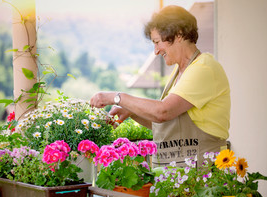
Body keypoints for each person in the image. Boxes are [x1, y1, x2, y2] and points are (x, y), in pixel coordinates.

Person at [90, 5, 230, 168]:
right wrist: (131, 111)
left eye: (157, 42)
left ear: (178, 35)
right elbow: (166, 126)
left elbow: (163, 111)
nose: (156, 51)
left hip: (203, 182)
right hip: (177, 181)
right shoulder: (180, 72)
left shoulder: (204, 68)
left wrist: (116, 98)